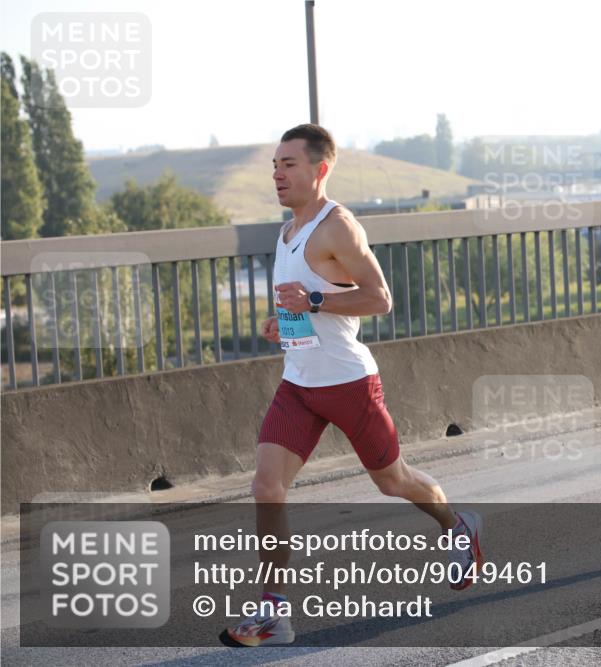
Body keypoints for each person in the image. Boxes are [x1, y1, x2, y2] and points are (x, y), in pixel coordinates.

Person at [222, 124, 482, 647]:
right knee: (266, 486)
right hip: (298, 383)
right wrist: (284, 323)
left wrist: (315, 304)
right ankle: (275, 613)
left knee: (394, 480)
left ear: (319, 169)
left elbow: (380, 298)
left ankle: (458, 526)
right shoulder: (287, 230)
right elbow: (305, 302)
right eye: (274, 164)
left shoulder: (337, 225)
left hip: (347, 382)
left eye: (289, 164)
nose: (277, 173)